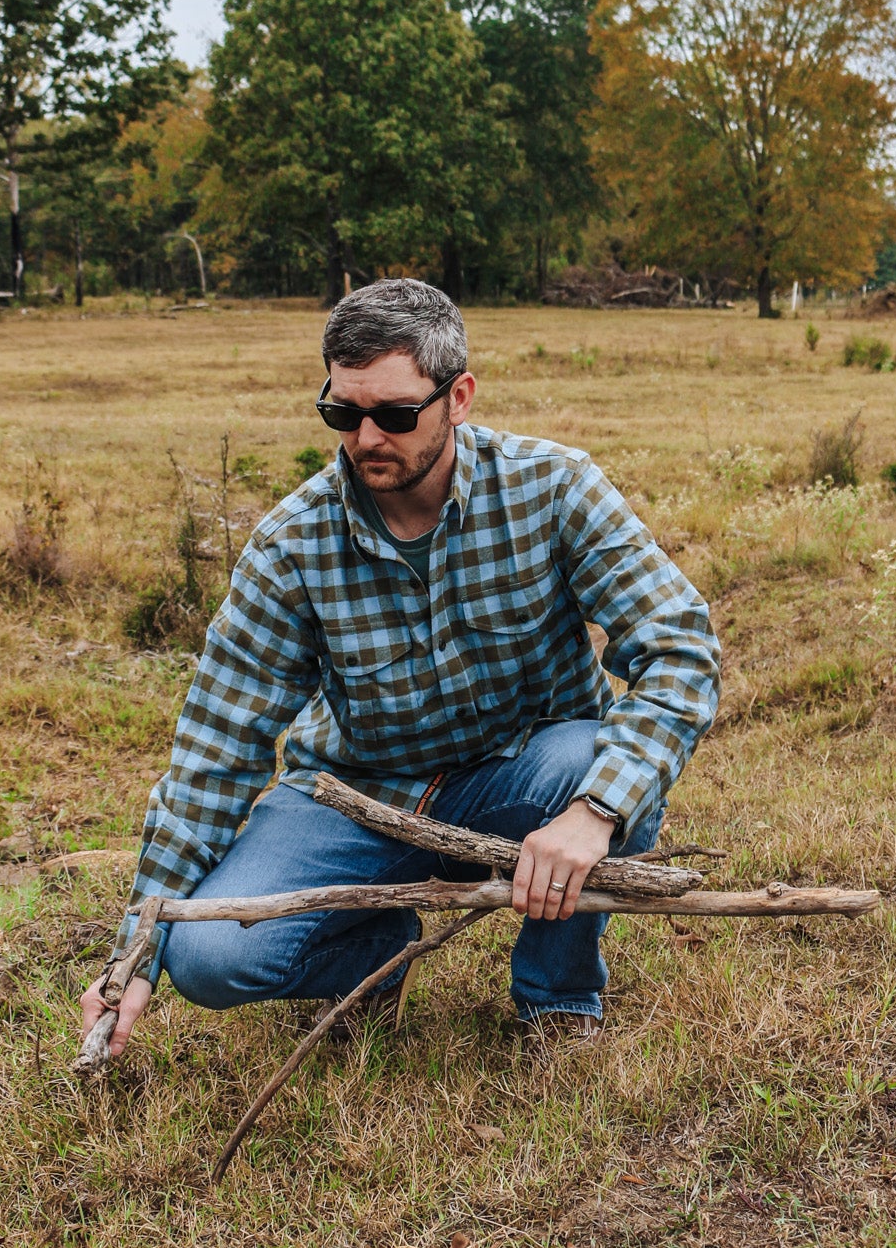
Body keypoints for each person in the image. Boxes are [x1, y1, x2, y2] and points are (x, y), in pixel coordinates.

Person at [81, 278, 719, 1059]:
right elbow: (213, 751)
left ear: (459, 398)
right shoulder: (291, 544)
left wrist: (594, 812)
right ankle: (374, 955)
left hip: (523, 772)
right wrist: (136, 951)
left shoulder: (553, 487)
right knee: (211, 959)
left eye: (393, 413)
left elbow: (678, 646)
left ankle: (557, 993)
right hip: (357, 793)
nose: (366, 437)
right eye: (342, 413)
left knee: (608, 776)